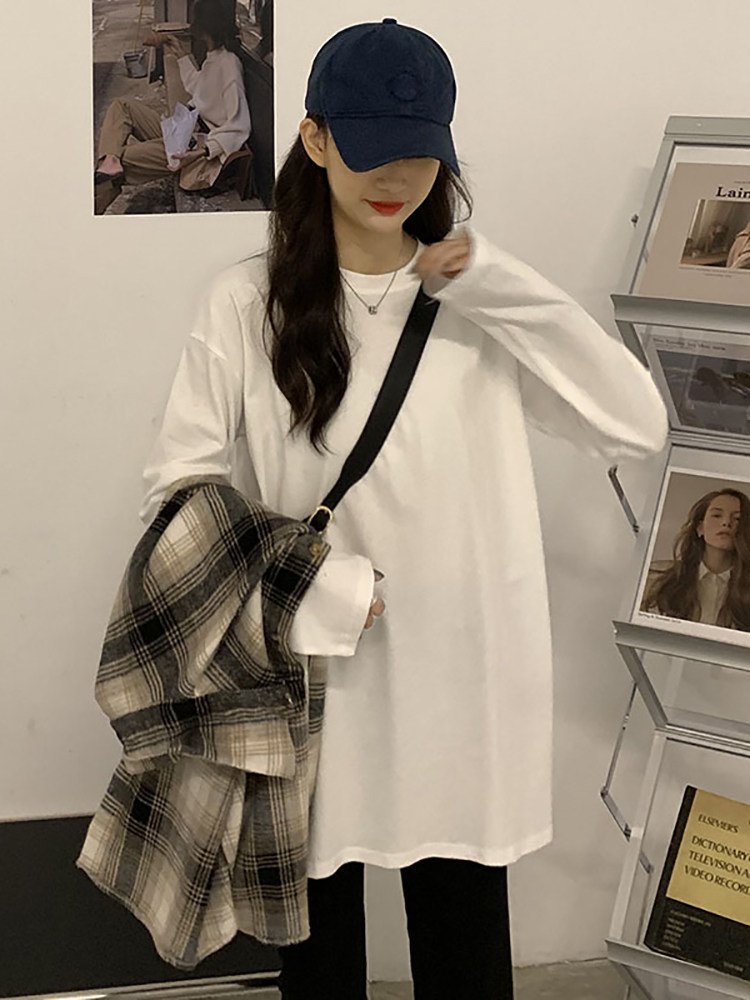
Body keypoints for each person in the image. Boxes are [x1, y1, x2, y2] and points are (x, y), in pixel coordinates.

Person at [138, 19, 667, 1000]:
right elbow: (177, 494)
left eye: (420, 153)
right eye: (372, 148)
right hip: (311, 693)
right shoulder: (245, 304)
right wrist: (313, 582)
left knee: (467, 963)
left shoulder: (483, 304)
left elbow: (637, 424)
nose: (397, 179)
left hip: (462, 689)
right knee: (321, 969)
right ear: (315, 137)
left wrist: (490, 280)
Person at [94, 0, 251, 214]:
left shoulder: (229, 65)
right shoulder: (214, 57)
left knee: (121, 163)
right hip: (186, 131)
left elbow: (240, 126)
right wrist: (179, 53)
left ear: (204, 26)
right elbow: (199, 89)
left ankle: (91, 214)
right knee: (122, 106)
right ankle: (110, 160)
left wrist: (203, 151)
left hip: (196, 150)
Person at [641, 488, 750, 629]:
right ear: (700, 528)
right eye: (717, 515)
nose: (726, 523)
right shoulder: (658, 578)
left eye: (737, 519)